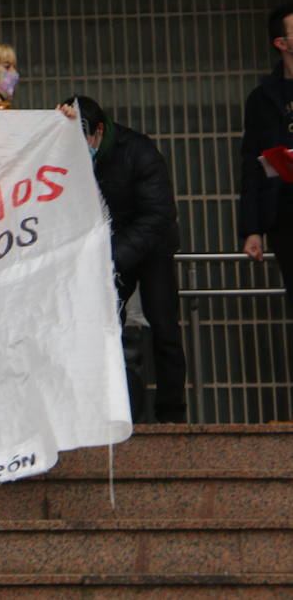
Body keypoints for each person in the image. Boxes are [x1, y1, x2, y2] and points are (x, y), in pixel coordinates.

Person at [66, 94, 186, 423]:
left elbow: (158, 214)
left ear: (100, 131)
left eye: (84, 141)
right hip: (111, 249)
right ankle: (112, 412)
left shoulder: (138, 151)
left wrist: (113, 258)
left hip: (152, 245)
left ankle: (172, 416)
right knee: (105, 329)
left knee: (164, 329)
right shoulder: (66, 158)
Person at [239, 2, 293, 307]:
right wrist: (252, 229)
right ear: (281, 43)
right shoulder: (263, 98)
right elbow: (251, 164)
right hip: (285, 213)